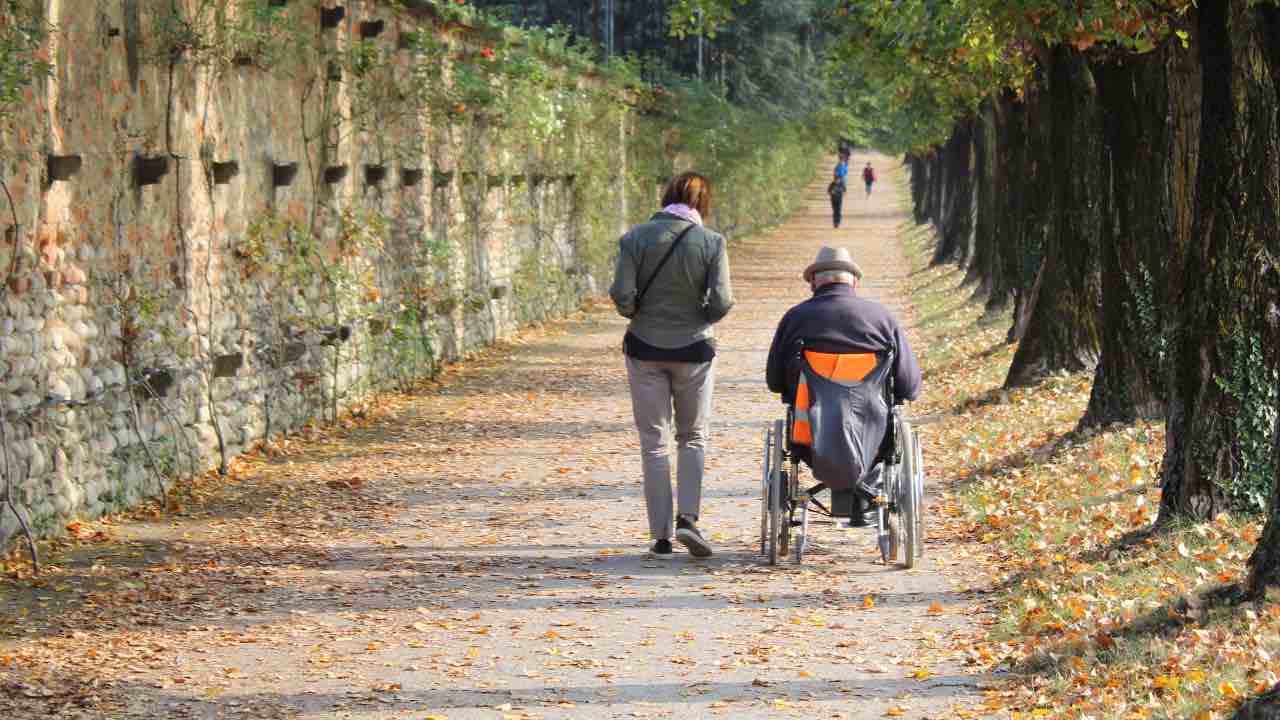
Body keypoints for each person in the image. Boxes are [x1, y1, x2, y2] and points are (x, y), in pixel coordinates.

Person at [609, 172, 734, 559]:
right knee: (692, 437)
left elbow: (622, 295)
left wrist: (636, 311)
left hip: (645, 348)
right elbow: (723, 300)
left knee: (654, 443)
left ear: (666, 198)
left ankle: (661, 536)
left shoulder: (634, 238)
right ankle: (688, 520)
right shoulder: (712, 242)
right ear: (703, 204)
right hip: (695, 351)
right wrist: (702, 316)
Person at [765, 246, 921, 526]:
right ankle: (866, 501)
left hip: (809, 435)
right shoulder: (882, 319)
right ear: (854, 282)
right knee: (878, 420)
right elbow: (909, 386)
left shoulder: (795, 318)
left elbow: (775, 382)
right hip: (873, 437)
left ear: (814, 282)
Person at [829, 152, 849, 228]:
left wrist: (843, 179)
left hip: (842, 180)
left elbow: (845, 173)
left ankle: (837, 221)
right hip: (838, 179)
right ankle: (836, 221)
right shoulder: (837, 166)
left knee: (838, 209)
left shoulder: (844, 165)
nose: (841, 161)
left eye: (842, 159)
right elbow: (835, 173)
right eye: (840, 159)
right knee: (835, 210)